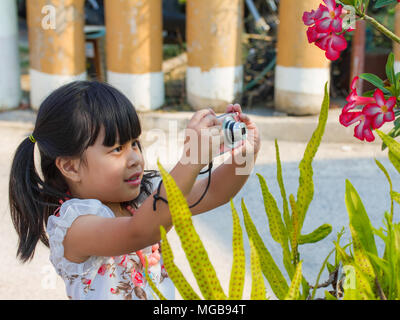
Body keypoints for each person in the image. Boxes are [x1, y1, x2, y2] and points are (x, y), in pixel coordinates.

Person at [8, 80, 260, 300]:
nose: (135, 159)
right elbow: (139, 232)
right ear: (70, 167)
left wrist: (246, 153)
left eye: (135, 144)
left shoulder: (144, 197)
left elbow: (216, 191)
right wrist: (192, 159)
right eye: (117, 149)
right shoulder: (75, 225)